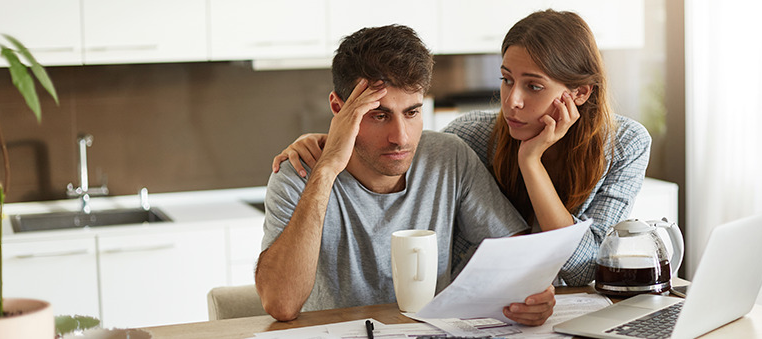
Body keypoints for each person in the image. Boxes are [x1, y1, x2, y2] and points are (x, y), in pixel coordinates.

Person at [271, 10, 652, 287]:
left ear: (580, 93)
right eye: (505, 80)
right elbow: (399, 150)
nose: (512, 101)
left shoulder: (625, 145)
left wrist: (530, 161)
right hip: (484, 309)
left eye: (533, 86)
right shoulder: (469, 137)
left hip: (557, 305)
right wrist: (329, 142)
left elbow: (582, 268)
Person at [255, 24, 556, 326]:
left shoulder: (449, 157)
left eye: (412, 112)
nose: (400, 137)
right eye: (379, 115)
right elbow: (281, 304)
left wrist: (533, 296)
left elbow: (518, 258)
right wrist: (327, 169)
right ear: (338, 108)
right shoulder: (298, 173)